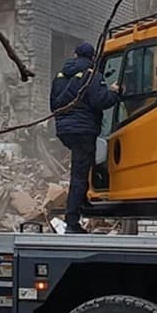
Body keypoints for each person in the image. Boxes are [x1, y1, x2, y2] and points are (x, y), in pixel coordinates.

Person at [49, 42, 120, 234]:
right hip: (83, 130)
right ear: (92, 58)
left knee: (80, 167)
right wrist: (113, 92)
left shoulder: (60, 76)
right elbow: (101, 101)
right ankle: (72, 222)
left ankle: (82, 202)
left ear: (74, 55)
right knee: (79, 175)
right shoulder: (91, 75)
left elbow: (53, 104)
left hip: (64, 130)